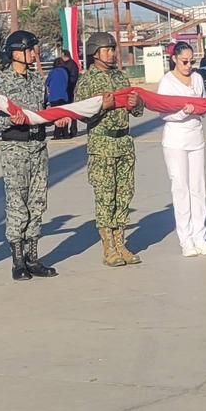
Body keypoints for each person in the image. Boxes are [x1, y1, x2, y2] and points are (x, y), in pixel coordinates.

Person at [0, 31, 56, 281]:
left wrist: (56, 117)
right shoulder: (2, 82)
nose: (33, 53)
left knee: (37, 203)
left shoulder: (38, 80)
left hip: (38, 146)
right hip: (15, 148)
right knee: (17, 203)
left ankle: (33, 257)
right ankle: (18, 260)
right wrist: (12, 119)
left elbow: (45, 110)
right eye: (29, 49)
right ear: (16, 53)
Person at [78, 32, 142, 266]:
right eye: (106, 50)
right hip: (102, 144)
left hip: (123, 142)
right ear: (95, 53)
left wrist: (137, 105)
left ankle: (120, 243)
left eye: (113, 49)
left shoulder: (121, 77)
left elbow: (136, 111)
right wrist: (101, 107)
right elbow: (80, 113)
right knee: (106, 196)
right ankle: (109, 248)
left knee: (124, 194)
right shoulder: (87, 80)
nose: (112, 54)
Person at [158, 41, 206, 256]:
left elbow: (204, 106)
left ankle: (200, 237)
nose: (189, 66)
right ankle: (186, 240)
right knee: (181, 189)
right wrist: (182, 112)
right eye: (184, 62)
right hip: (176, 141)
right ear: (174, 59)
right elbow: (163, 113)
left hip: (196, 138)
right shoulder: (167, 82)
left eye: (191, 61)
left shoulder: (197, 78)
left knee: (198, 188)